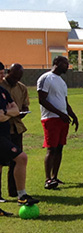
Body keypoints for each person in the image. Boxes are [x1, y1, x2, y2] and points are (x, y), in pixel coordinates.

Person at [37, 56, 79, 189]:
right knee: (51, 148)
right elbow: (42, 100)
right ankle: (47, 179)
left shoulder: (61, 81)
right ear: (57, 63)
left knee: (60, 148)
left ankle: (55, 176)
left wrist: (73, 115)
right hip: (51, 118)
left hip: (62, 119)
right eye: (65, 63)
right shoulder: (46, 78)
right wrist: (60, 114)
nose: (67, 66)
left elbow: (64, 102)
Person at [0, 81, 39, 213]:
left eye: (2, 73)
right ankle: (22, 196)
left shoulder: (3, 91)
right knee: (21, 157)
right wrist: (7, 113)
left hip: (5, 135)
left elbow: (16, 110)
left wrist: (5, 111)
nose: (2, 77)